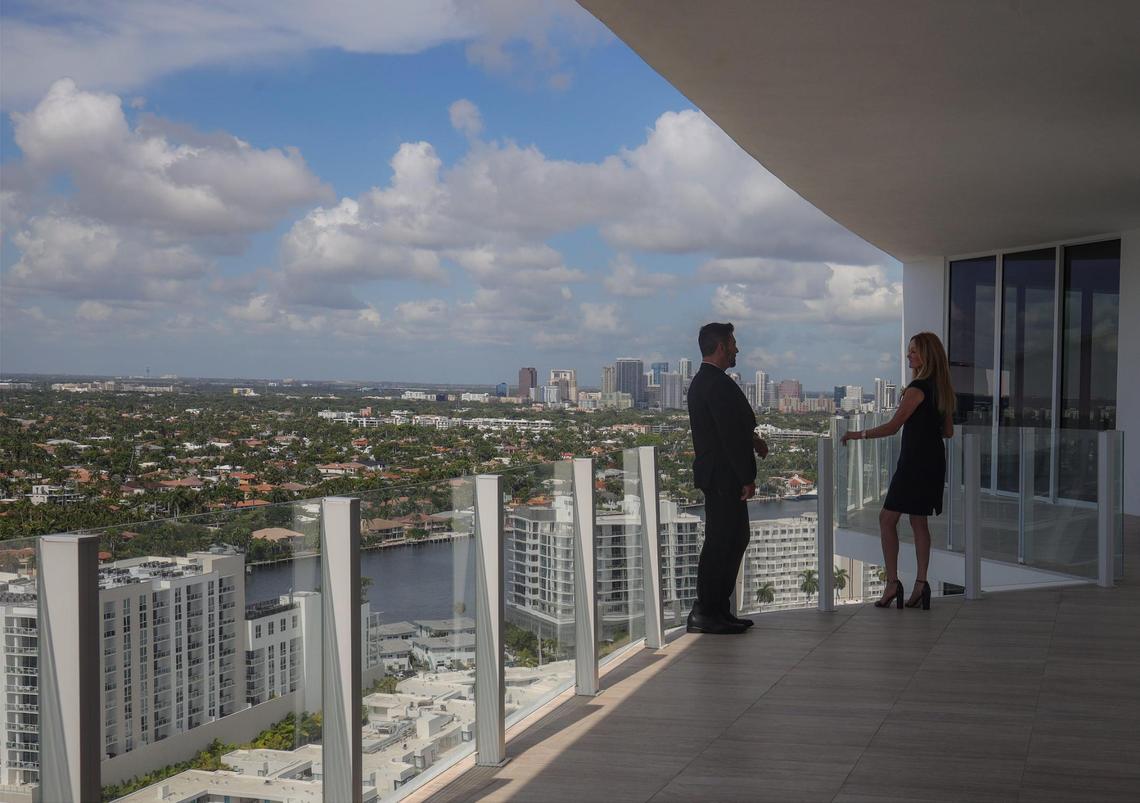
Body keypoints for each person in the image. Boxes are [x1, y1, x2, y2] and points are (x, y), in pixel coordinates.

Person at [841, 331, 955, 610]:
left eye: (914, 351)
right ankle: (921, 584)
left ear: (926, 355)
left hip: (914, 462)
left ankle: (892, 583)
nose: (908, 355)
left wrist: (857, 434)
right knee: (919, 521)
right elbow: (948, 432)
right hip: (933, 461)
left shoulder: (917, 388)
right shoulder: (942, 389)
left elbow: (893, 427)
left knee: (886, 519)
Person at [686, 322, 769, 634]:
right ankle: (706, 611)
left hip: (719, 475)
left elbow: (731, 427)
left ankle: (718, 608)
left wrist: (753, 440)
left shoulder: (708, 381)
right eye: (733, 343)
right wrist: (747, 476)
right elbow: (729, 436)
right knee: (722, 542)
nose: (737, 349)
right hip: (723, 476)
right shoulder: (715, 384)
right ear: (721, 346)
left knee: (731, 539)